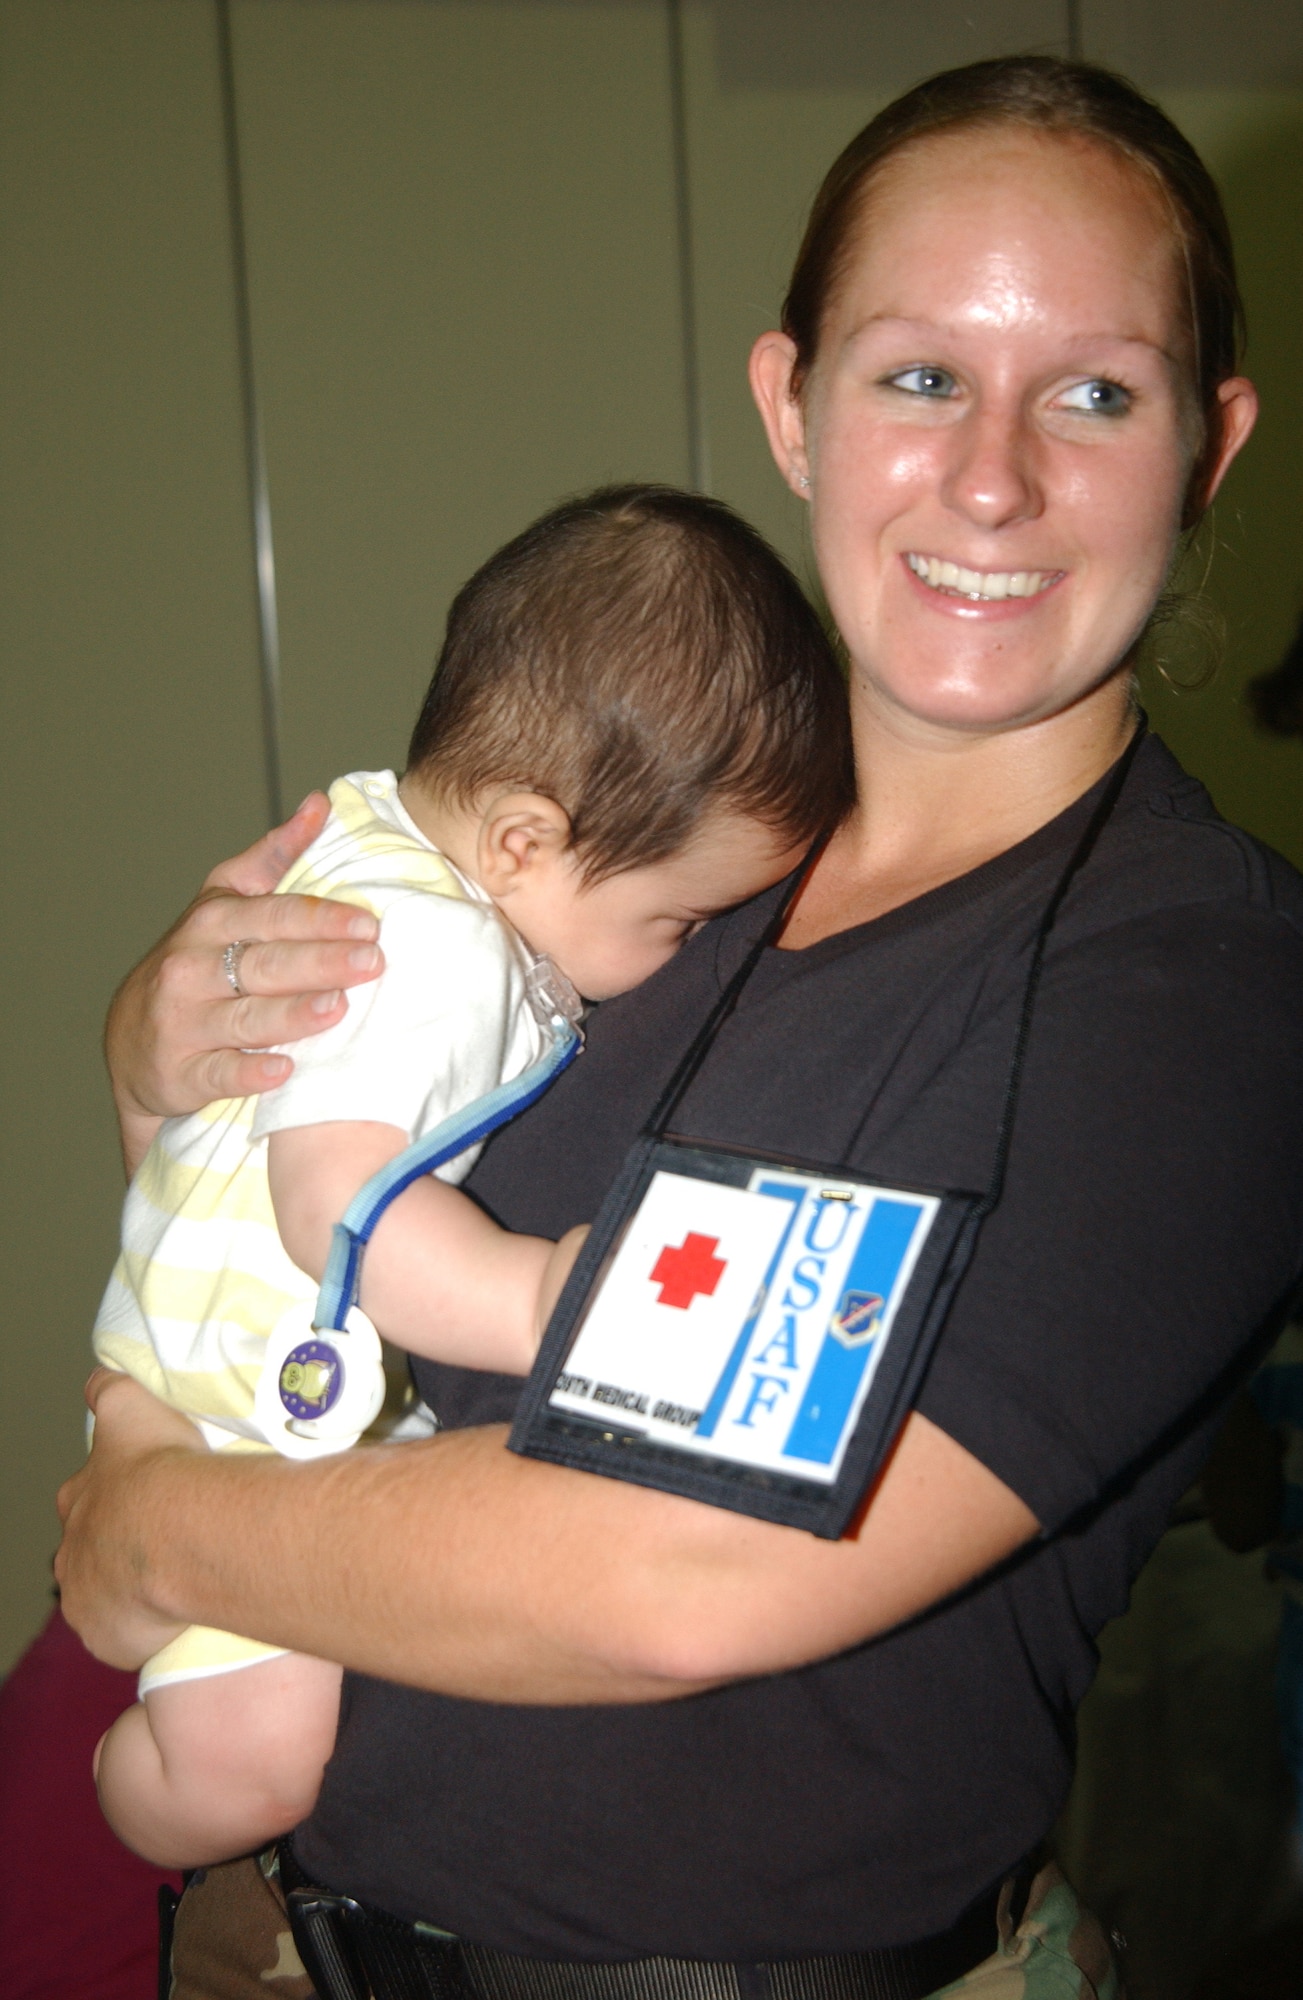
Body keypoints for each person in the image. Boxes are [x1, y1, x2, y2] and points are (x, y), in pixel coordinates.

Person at [55, 54, 1303, 2000]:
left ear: (1207, 443)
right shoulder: (642, 870)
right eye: (914, 375)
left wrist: (171, 1535)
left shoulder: (1194, 991)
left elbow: (687, 1557)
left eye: (1090, 390)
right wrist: (159, 1058)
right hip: (283, 1938)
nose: (991, 474)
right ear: (789, 407)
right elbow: (299, 1224)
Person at [89, 483, 847, 1872]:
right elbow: (344, 1210)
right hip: (238, 1397)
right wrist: (542, 1299)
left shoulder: (382, 846)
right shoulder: (433, 955)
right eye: (671, 918)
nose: (682, 952)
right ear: (523, 845)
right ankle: (120, 1796)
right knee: (250, 1762)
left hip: (226, 1342)